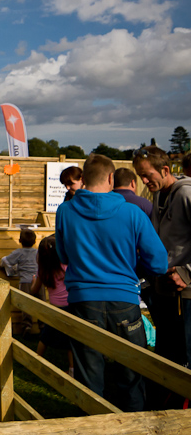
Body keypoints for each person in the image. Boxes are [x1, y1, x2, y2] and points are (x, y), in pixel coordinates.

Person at [55, 154, 168, 411]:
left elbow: (63, 256)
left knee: (89, 378)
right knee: (131, 376)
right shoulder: (132, 212)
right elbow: (159, 262)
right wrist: (133, 267)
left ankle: (93, 432)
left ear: (83, 179)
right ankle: (135, 434)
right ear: (110, 178)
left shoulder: (65, 211)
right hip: (125, 299)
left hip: (83, 299)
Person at [133, 146, 191, 370]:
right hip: (164, 289)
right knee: (169, 354)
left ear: (165, 169)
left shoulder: (186, 194)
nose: (144, 180)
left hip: (185, 293)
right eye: (140, 176)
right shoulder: (158, 195)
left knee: (186, 357)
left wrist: (186, 272)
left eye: (148, 175)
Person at [30, 236, 74, 376]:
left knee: (45, 337)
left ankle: (37, 360)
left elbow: (33, 291)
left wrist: (33, 281)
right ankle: (72, 370)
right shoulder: (66, 267)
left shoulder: (43, 271)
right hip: (70, 307)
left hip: (54, 309)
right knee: (70, 340)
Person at [0, 229, 38, 335]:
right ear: (35, 241)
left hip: (25, 281)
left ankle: (27, 327)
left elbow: (5, 261)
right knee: (42, 304)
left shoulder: (19, 253)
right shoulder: (37, 252)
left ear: (20, 240)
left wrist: (12, 271)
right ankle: (43, 326)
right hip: (39, 281)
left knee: (26, 305)